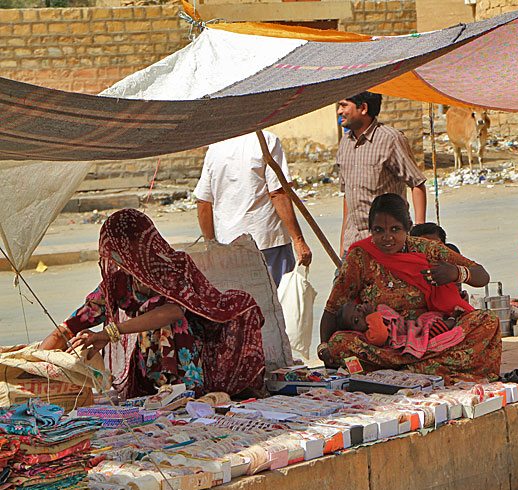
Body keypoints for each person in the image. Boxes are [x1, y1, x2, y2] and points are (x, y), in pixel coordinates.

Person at [39, 209, 266, 399]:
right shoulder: (119, 283)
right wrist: (36, 360)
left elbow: (173, 311)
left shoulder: (175, 267)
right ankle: (163, 388)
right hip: (151, 359)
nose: (118, 261)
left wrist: (110, 332)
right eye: (114, 255)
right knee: (153, 321)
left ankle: (190, 387)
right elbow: (71, 325)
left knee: (230, 306)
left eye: (122, 252)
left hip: (198, 348)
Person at [318, 193, 500, 383]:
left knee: (487, 321)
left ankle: (404, 371)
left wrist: (455, 272)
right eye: (379, 230)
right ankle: (425, 369)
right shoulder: (359, 256)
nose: (387, 237)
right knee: (340, 344)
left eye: (395, 229)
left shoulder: (427, 249)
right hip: (384, 347)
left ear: (408, 227)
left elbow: (482, 276)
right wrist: (324, 348)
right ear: (370, 230)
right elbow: (333, 307)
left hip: (431, 337)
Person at [194, 130, 312, 287]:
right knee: (277, 297)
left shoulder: (216, 147)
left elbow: (203, 201)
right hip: (266, 241)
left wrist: (211, 245)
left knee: (241, 297)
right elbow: (278, 193)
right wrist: (298, 240)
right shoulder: (266, 140)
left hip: (228, 243)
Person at [336, 91, 427, 255]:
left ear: (363, 108)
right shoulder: (345, 142)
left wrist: (418, 233)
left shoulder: (390, 139)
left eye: (343, 105)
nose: (339, 111)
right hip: (354, 244)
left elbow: (417, 183)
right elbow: (347, 196)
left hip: (387, 244)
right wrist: (343, 242)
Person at [336, 301, 463, 359]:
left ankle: (450, 317)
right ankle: (451, 320)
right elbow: (381, 336)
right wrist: (371, 315)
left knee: (427, 319)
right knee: (430, 333)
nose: (360, 315)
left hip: (409, 328)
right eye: (356, 320)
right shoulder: (370, 334)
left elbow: (393, 318)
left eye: (358, 309)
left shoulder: (377, 311)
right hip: (406, 338)